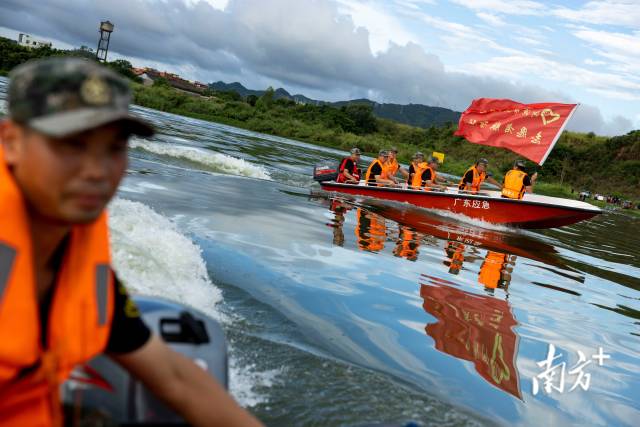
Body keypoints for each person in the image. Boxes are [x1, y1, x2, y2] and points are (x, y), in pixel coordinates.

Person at [0, 58, 262, 427]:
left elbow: (176, 379)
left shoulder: (82, 263)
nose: (97, 171)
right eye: (72, 144)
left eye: (114, 147)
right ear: (11, 141)